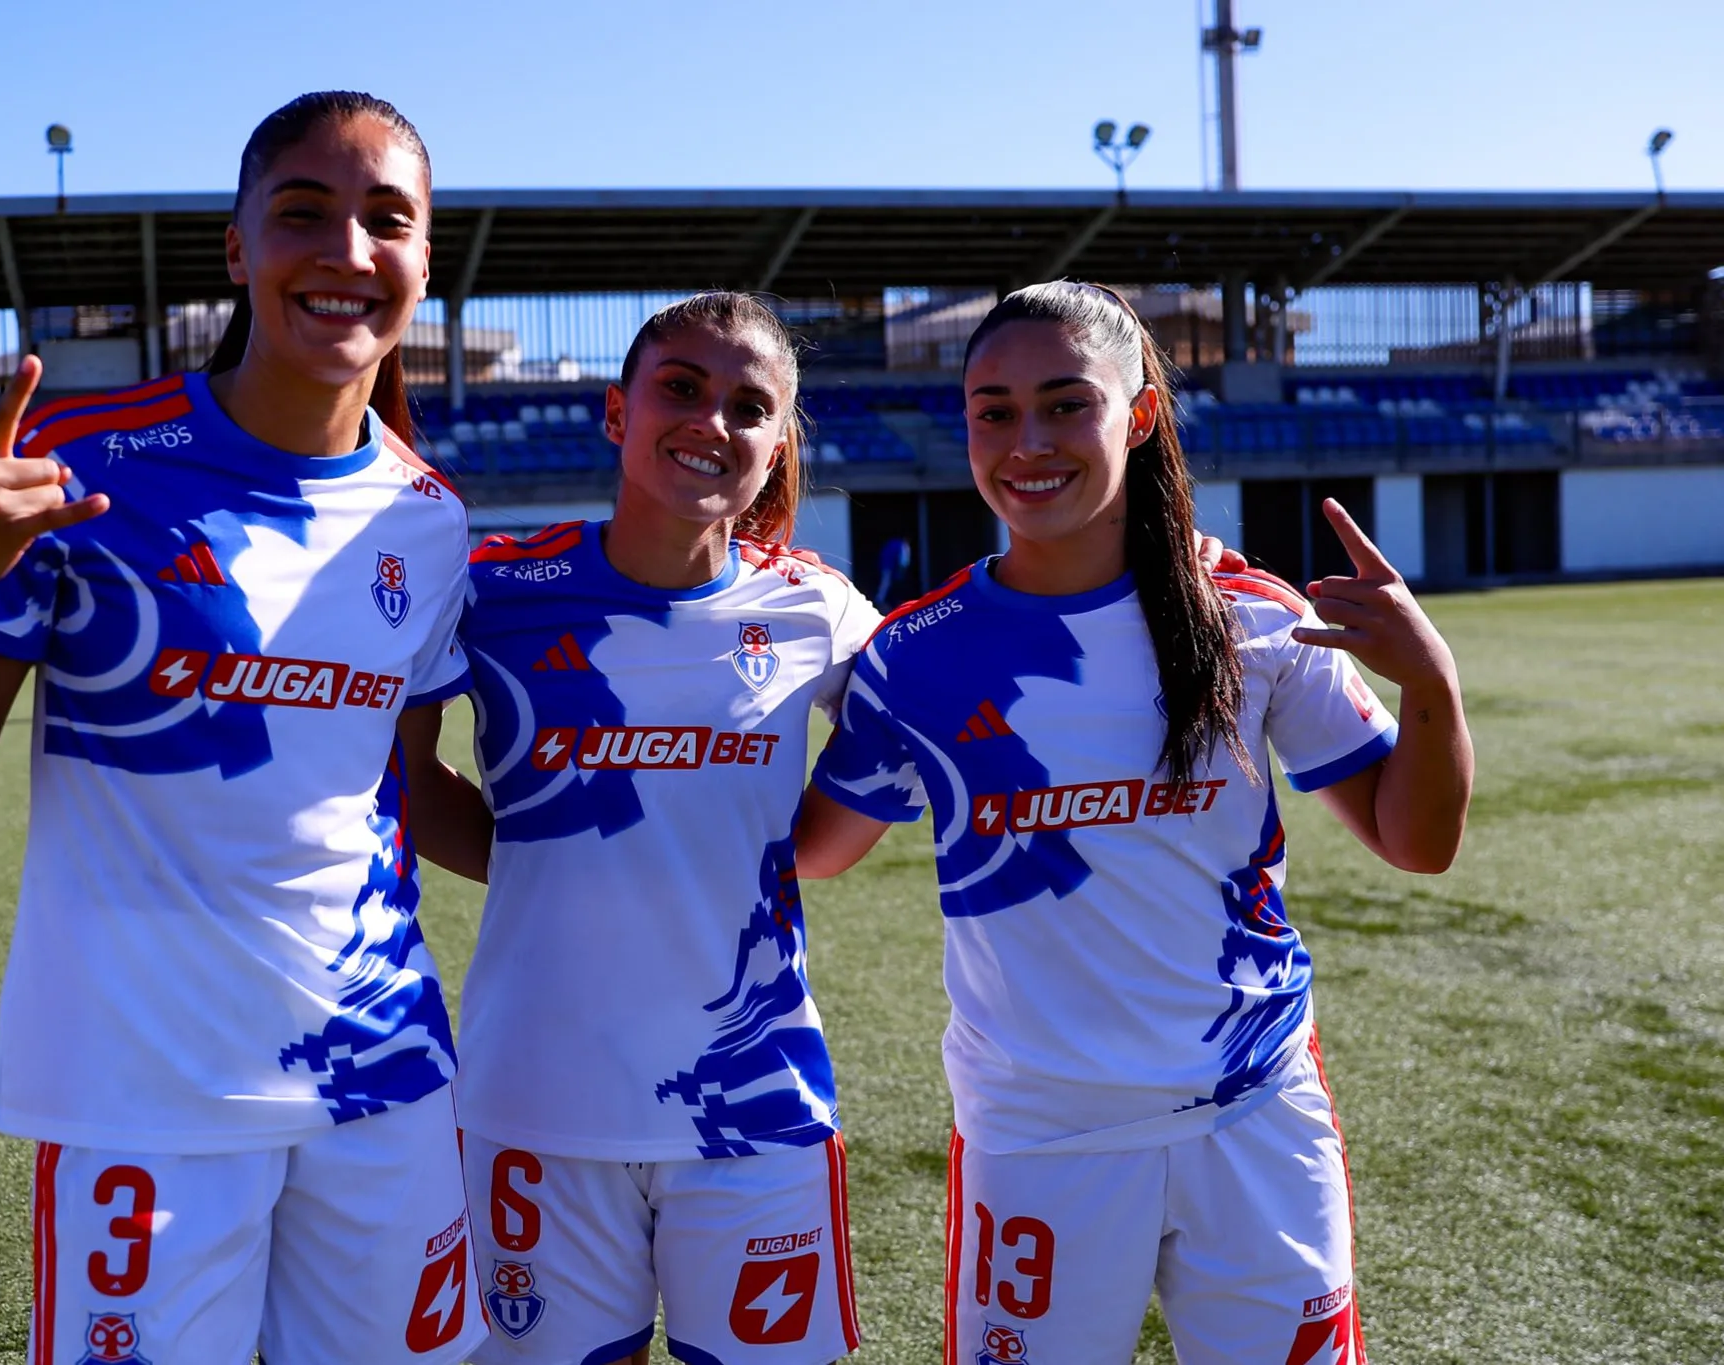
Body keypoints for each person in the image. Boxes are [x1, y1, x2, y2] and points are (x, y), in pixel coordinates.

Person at [0, 92, 486, 1365]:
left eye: (388, 221)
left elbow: (409, 792)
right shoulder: (83, 468)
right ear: (237, 246)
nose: (348, 252)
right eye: (303, 213)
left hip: (383, 1077)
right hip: (146, 1095)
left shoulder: (428, 519)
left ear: (426, 258)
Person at [796, 282, 1473, 1365]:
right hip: (1037, 1138)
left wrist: (1432, 681)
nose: (1028, 441)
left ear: (1141, 413)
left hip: (1253, 1119)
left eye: (1067, 404)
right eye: (994, 409)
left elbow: (1416, 839)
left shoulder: (1250, 618)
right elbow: (809, 855)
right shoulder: (913, 659)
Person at [399, 292, 878, 1365]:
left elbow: (897, 766)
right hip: (536, 1110)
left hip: (754, 1113)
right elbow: (408, 777)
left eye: (749, 406)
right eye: (681, 388)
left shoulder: (819, 611)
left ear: (777, 446)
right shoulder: (495, 593)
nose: (712, 420)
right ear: (618, 414)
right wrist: (540, 865)